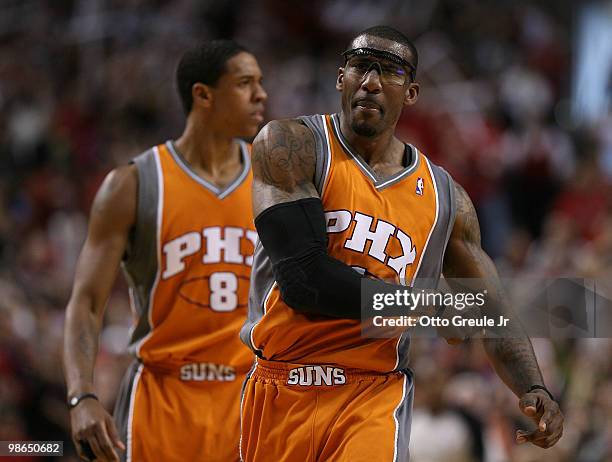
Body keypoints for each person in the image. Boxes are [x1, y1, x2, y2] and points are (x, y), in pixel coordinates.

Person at [240, 25, 563, 461]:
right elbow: (304, 281)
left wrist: (533, 385)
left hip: (373, 394)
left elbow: (488, 306)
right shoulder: (292, 145)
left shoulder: (446, 198)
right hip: (281, 384)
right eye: (360, 67)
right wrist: (427, 305)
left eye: (389, 72)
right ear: (341, 78)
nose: (371, 81)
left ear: (410, 93)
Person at [64, 39, 267, 462]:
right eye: (245, 83)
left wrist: (420, 307)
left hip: (248, 396)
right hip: (162, 397)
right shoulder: (131, 185)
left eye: (260, 83)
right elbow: (86, 301)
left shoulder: (273, 181)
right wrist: (81, 394)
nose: (261, 95)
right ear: (203, 94)